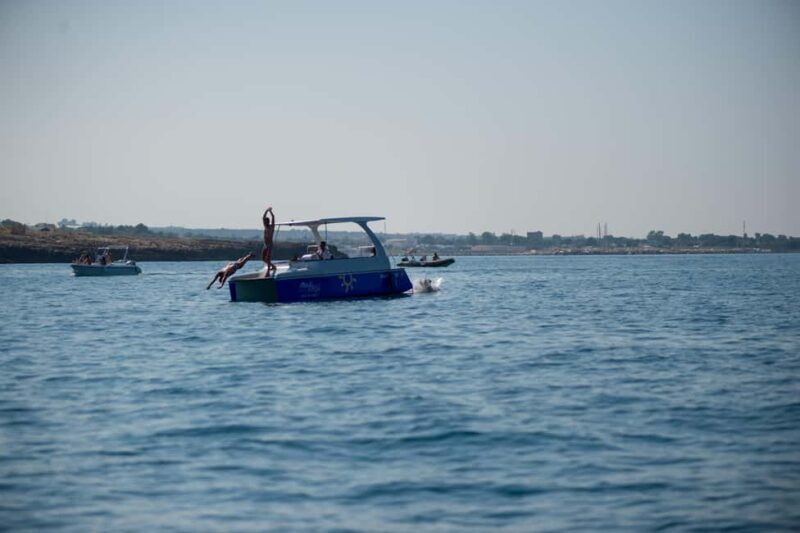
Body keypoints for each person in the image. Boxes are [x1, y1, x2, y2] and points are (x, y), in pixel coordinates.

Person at [261, 206, 276, 275]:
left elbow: (273, 217)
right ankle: (273, 266)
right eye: (264, 221)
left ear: (268, 222)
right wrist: (266, 210)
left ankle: (268, 272)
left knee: (268, 258)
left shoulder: (271, 227)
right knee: (263, 259)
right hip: (265, 244)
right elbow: (263, 217)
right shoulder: (265, 226)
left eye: (265, 221)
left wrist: (270, 211)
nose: (264, 222)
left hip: (269, 244)